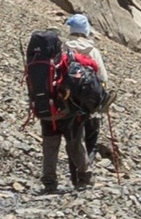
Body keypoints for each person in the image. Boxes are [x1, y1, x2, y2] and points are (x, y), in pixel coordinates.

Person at [29, 12, 109, 192]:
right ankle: (84, 176)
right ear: (86, 30)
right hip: (70, 107)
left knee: (50, 144)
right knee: (75, 143)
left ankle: (49, 181)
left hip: (47, 104)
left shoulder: (59, 49)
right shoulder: (92, 51)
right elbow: (102, 77)